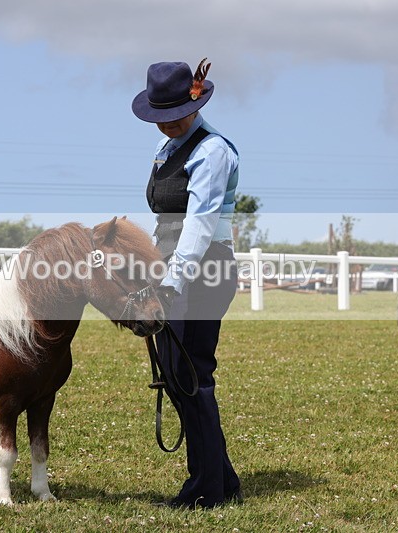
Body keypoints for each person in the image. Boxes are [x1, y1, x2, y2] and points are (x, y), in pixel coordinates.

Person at [131, 58, 242, 509]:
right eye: (159, 118)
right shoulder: (168, 150)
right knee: (177, 375)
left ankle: (205, 490)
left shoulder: (212, 151)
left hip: (204, 269)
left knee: (191, 373)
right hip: (172, 268)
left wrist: (174, 278)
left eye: (173, 117)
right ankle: (223, 478)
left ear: (194, 106)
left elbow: (199, 223)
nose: (166, 126)